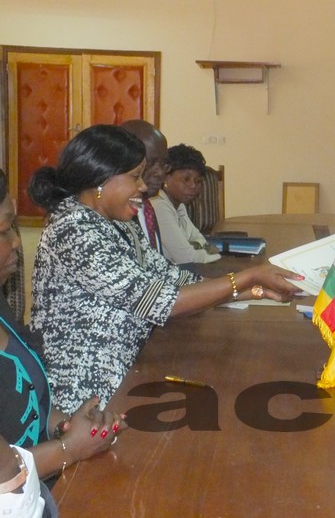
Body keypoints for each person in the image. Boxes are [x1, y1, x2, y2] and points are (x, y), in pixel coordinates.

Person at [28, 124, 302, 414]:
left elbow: (174, 277)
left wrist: (256, 291)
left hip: (128, 369)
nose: (143, 187)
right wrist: (249, 275)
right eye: (135, 177)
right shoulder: (73, 230)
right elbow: (157, 300)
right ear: (101, 180)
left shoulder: (117, 223)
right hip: (85, 396)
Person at [0, 169, 125, 517]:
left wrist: (64, 424)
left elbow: (21, 394)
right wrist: (68, 449)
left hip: (41, 487)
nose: (15, 242)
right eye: (4, 229)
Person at [150, 144, 221, 264]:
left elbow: (201, 240)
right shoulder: (159, 206)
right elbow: (188, 258)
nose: (193, 186)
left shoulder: (179, 205)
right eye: (186, 179)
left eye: (198, 181)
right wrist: (218, 256)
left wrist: (195, 248)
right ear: (165, 177)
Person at [120, 119, 168, 253]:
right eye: (151, 163)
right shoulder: (116, 214)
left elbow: (158, 265)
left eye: (163, 163)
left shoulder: (145, 207)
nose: (160, 172)